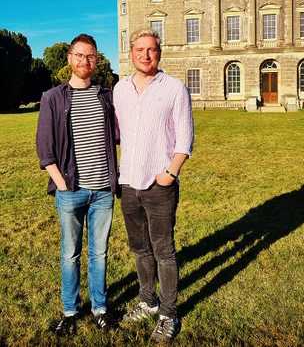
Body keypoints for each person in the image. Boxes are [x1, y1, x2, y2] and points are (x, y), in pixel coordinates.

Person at [113, 29, 193, 343]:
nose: (146, 55)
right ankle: (147, 301)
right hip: (128, 183)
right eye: (140, 49)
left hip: (160, 184)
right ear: (131, 53)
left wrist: (170, 173)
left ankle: (168, 313)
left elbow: (185, 138)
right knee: (140, 249)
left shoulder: (174, 88)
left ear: (159, 52)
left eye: (152, 49)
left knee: (164, 251)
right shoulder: (120, 89)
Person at [36, 33, 119, 336]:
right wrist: (62, 185)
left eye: (92, 56)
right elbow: (45, 150)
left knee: (100, 254)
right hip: (70, 190)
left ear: (97, 60)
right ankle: (70, 311)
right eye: (80, 55)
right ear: (70, 58)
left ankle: (100, 309)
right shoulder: (53, 97)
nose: (86, 61)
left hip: (103, 193)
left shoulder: (106, 96)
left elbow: (124, 134)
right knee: (70, 254)